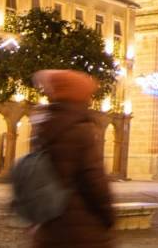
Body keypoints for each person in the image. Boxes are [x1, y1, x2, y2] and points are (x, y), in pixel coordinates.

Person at [31, 69, 115, 248]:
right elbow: (95, 182)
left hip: (49, 229)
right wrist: (109, 217)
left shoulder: (45, 126)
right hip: (82, 231)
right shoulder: (80, 129)